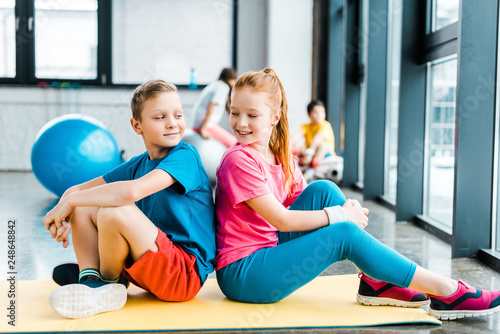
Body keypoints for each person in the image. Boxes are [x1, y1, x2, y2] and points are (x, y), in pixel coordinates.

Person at [213, 68, 500, 320]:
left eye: (252, 115)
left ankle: (375, 280)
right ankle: (446, 290)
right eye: (235, 113)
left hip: (268, 248)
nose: (241, 123)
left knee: (323, 189)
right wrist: (341, 216)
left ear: (274, 117)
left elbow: (304, 204)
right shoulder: (238, 160)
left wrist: (340, 211)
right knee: (344, 235)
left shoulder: (279, 156)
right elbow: (284, 221)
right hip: (244, 274)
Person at [43, 79, 216, 319]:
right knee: (84, 205)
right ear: (137, 125)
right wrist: (63, 208)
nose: (172, 124)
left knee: (115, 211)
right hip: (148, 264)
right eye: (160, 117)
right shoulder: (139, 163)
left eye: (178, 115)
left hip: (182, 275)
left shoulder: (185, 155)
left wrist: (71, 202)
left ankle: (106, 283)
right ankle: (91, 277)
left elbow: (131, 192)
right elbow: (77, 190)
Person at [192, 67, 237, 148]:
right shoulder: (223, 87)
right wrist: (203, 128)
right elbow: (211, 106)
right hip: (206, 125)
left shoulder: (215, 85)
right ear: (231, 79)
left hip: (199, 124)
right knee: (235, 144)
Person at [292, 100, 335, 169]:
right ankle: (303, 161)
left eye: (322, 112)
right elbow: (296, 136)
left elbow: (317, 139)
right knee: (297, 143)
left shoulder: (325, 125)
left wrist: (309, 153)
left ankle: (315, 164)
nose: (320, 115)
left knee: (323, 145)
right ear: (309, 114)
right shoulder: (305, 126)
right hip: (309, 154)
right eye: (316, 112)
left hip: (324, 155)